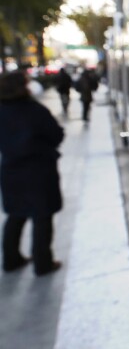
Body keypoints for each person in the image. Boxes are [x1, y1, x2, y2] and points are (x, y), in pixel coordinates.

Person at [0, 71, 64, 275]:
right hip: (39, 171)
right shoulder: (34, 110)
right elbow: (56, 135)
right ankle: (43, 263)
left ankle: (11, 259)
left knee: (15, 216)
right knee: (42, 217)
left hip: (11, 171)